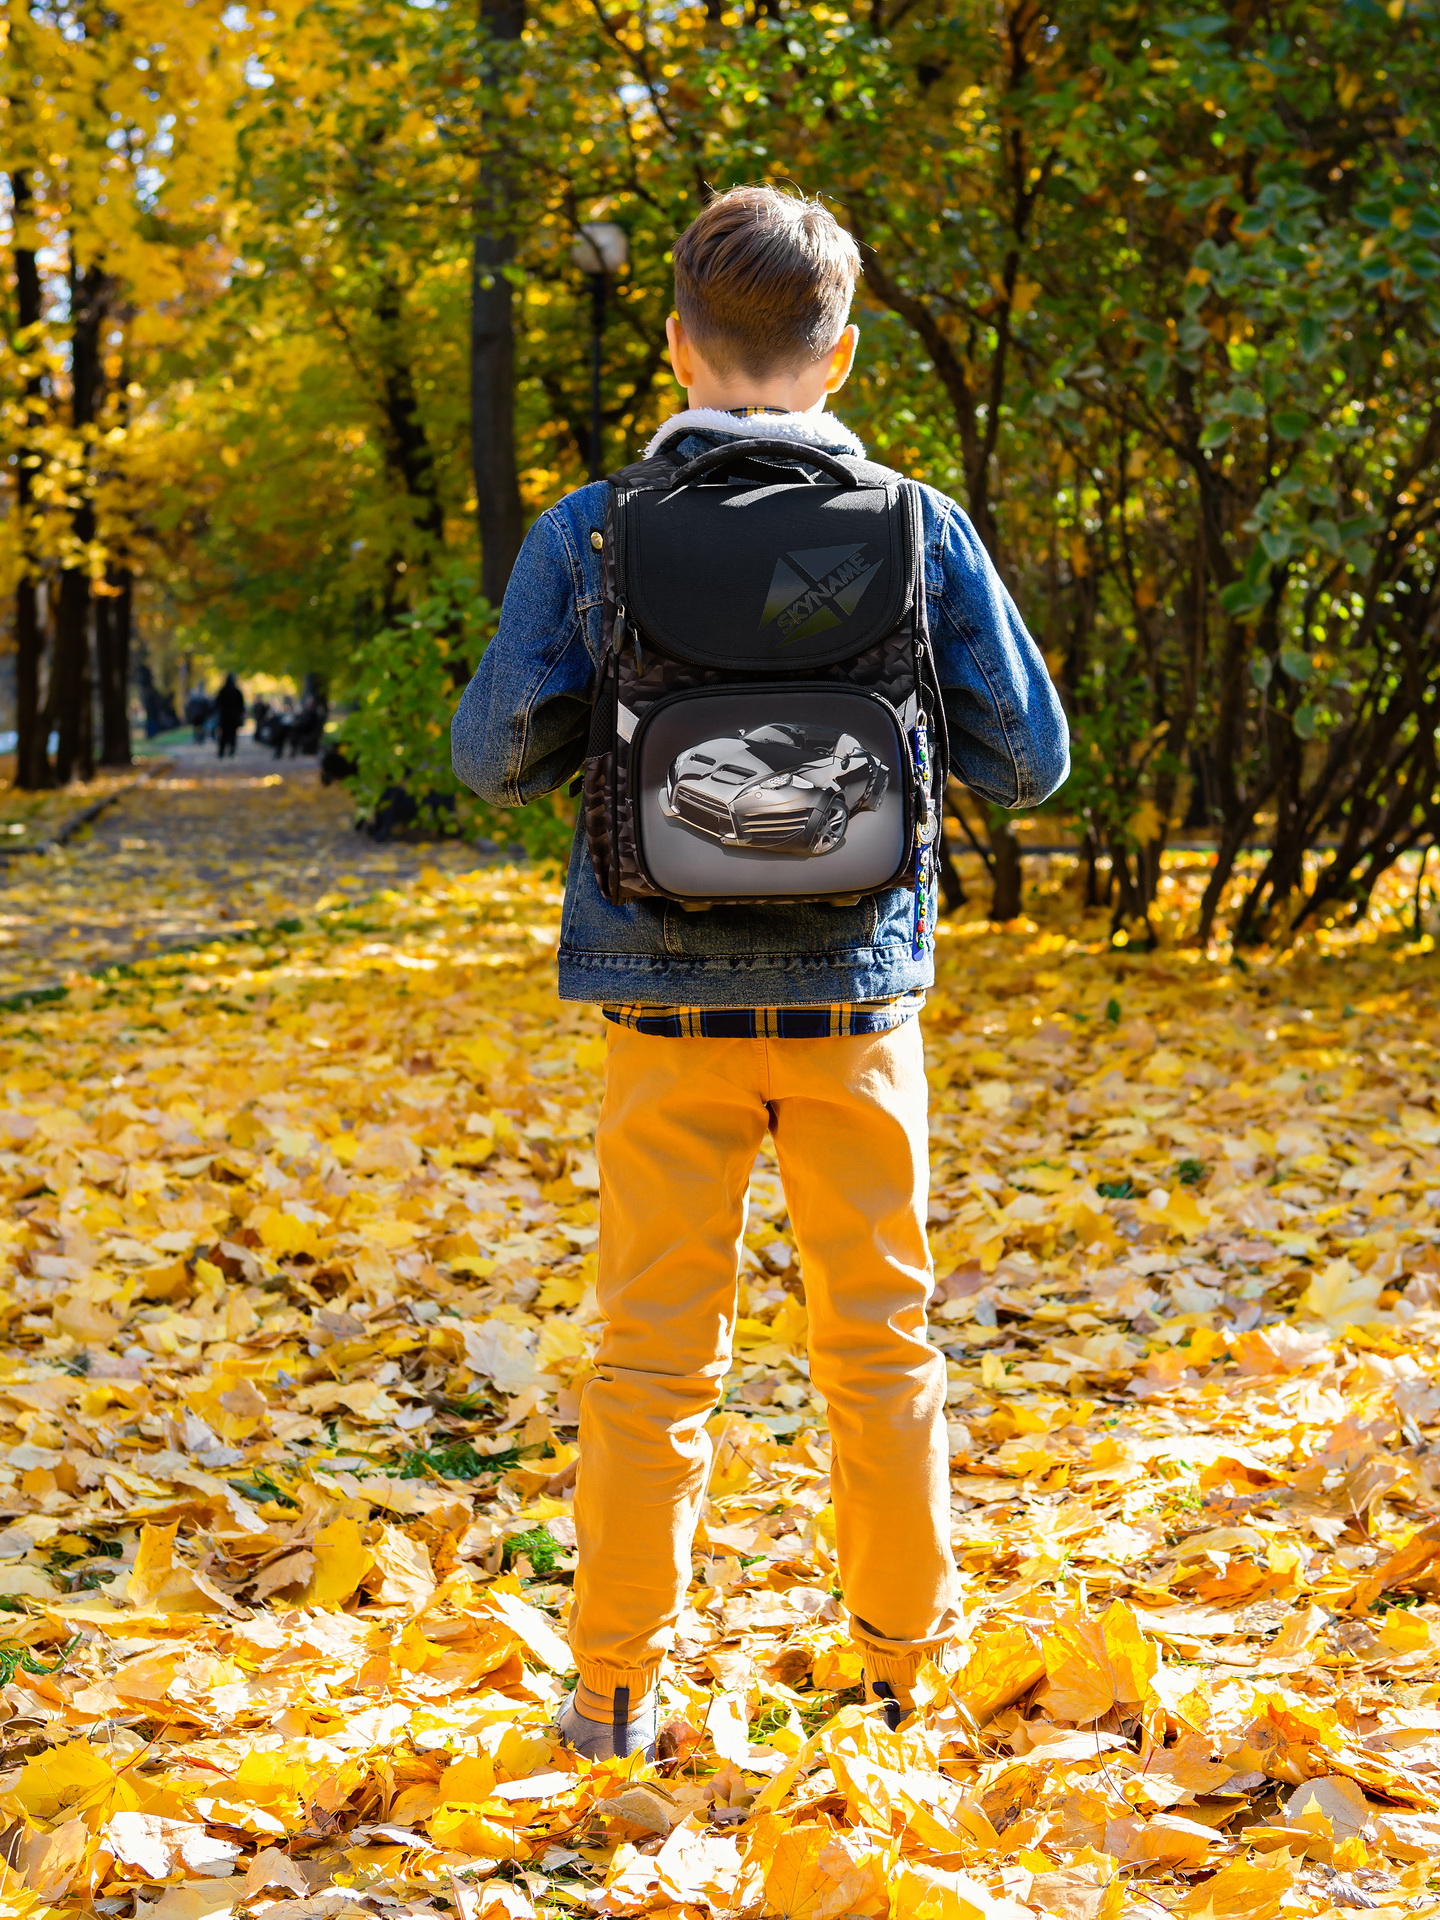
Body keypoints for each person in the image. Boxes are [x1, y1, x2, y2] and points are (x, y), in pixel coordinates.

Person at [451, 185, 1069, 1762]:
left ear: (674, 347)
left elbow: (490, 757)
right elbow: (1030, 759)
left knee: (654, 1351)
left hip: (667, 1008)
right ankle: (899, 1660)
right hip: (859, 1002)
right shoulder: (921, 526)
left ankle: (609, 1683)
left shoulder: (588, 530)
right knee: (880, 1335)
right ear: (842, 356)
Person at [214, 673, 246, 758]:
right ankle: (231, 751)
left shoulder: (222, 691)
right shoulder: (237, 692)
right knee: (233, 735)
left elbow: (217, 704)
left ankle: (221, 752)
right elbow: (241, 706)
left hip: (224, 718)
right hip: (234, 718)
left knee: (223, 735)